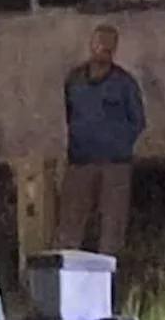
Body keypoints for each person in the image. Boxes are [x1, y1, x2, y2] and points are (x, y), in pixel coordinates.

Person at [54, 24, 146, 256]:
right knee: (70, 223)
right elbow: (69, 113)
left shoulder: (125, 84)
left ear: (114, 49)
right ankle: (66, 274)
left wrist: (118, 144)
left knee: (112, 226)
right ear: (91, 45)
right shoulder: (75, 81)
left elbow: (137, 121)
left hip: (115, 165)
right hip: (80, 162)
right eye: (99, 42)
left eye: (109, 44)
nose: (103, 48)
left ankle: (108, 276)